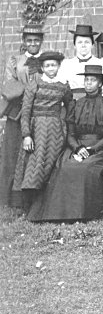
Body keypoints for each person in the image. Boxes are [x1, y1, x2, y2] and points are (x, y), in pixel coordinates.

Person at [27, 65, 103, 222]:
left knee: (85, 167)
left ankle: (82, 212)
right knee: (64, 166)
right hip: (76, 146)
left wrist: (92, 149)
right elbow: (71, 134)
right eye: (86, 80)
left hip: (100, 149)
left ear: (100, 83)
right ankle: (57, 213)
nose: (88, 83)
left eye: (93, 80)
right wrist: (78, 148)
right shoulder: (76, 105)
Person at [12, 51, 72, 195]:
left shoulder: (64, 86)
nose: (51, 68)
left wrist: (64, 125)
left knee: (51, 163)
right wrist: (26, 135)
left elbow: (70, 107)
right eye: (47, 66)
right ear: (42, 68)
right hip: (36, 130)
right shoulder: (34, 84)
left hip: (55, 131)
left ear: (58, 66)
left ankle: (48, 201)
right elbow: (26, 111)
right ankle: (30, 200)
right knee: (35, 164)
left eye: (54, 65)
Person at [0, 25, 45, 208]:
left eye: (36, 40)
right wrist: (30, 90)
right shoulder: (15, 61)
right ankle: (12, 199)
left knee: (35, 154)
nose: (33, 44)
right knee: (13, 154)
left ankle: (34, 197)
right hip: (17, 113)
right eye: (29, 40)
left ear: (41, 41)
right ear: (24, 42)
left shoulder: (47, 60)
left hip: (39, 112)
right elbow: (9, 85)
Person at [59, 24, 103, 103]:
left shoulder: (102, 63)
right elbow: (61, 89)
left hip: (96, 103)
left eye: (87, 42)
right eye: (79, 42)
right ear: (74, 45)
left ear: (92, 45)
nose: (83, 45)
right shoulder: (66, 64)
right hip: (72, 104)